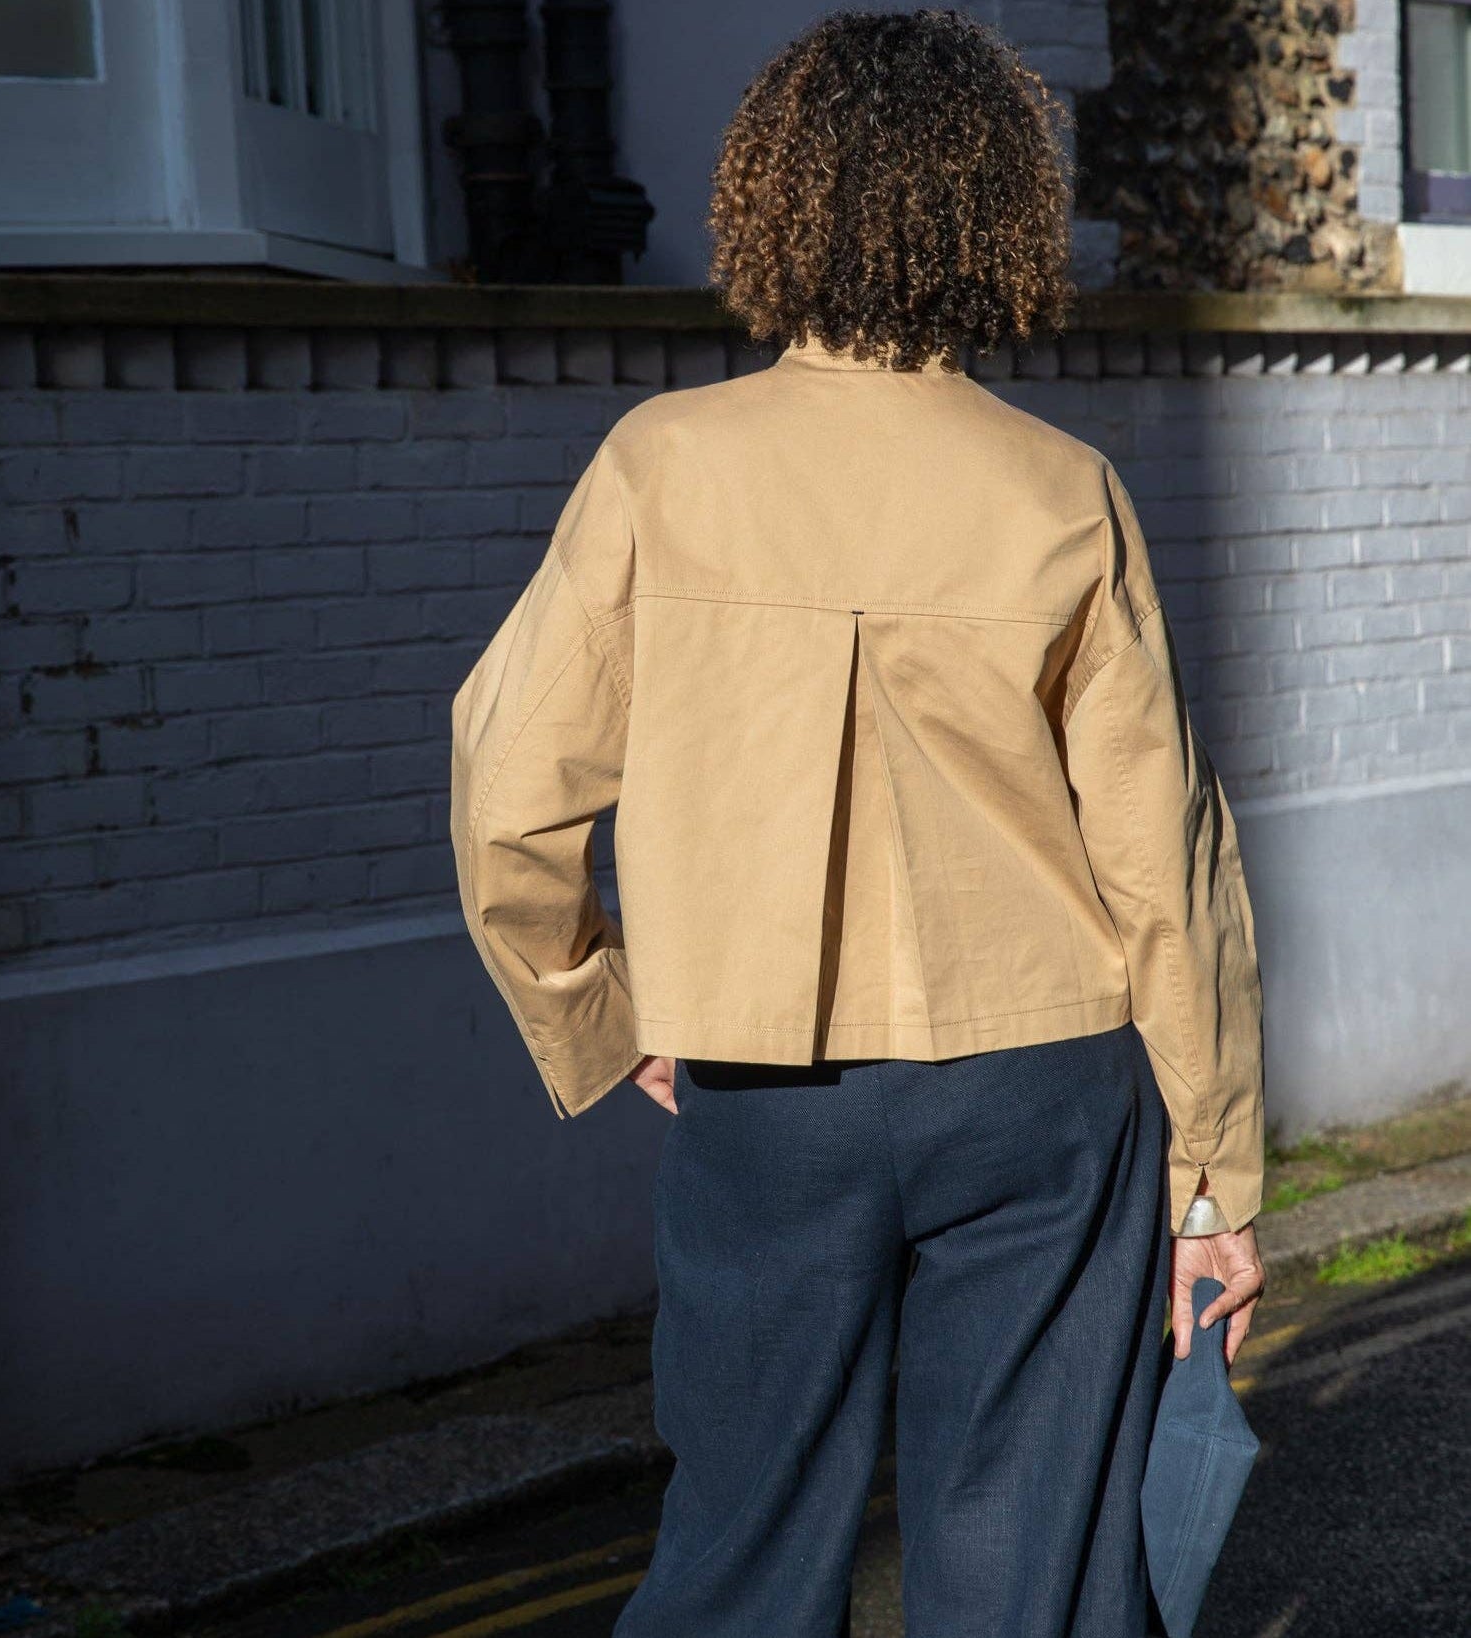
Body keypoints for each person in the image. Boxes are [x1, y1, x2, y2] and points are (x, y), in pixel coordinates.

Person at [449, 9, 1268, 1635]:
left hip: (765, 1091)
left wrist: (605, 1013)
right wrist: (1217, 1174)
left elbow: (507, 788)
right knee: (1021, 1561)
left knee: (742, 1549)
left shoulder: (660, 464)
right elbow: (1162, 861)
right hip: (1046, 1086)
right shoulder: (1057, 486)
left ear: (774, 200)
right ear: (996, 218)